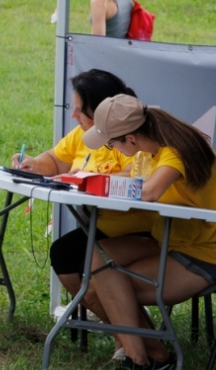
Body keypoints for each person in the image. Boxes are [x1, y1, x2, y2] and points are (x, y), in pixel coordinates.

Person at [80, 94, 216, 370]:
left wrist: (101, 188)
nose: (111, 149)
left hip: (205, 254)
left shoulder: (176, 151)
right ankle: (155, 358)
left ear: (131, 138)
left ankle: (141, 362)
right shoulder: (146, 152)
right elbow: (124, 178)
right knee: (98, 257)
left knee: (108, 284)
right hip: (174, 241)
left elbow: (150, 192)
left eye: (111, 144)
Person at [13, 69, 152, 335]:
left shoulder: (128, 136)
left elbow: (140, 175)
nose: (73, 115)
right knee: (64, 256)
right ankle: (124, 336)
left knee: (92, 266)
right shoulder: (82, 135)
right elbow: (54, 161)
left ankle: (136, 342)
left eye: (80, 110)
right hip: (101, 227)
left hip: (137, 229)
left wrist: (91, 178)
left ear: (101, 112)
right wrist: (31, 164)